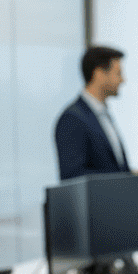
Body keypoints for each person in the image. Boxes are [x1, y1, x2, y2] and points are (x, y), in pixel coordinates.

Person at [54, 45, 131, 180]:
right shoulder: (72, 119)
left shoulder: (103, 115)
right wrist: (120, 180)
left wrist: (132, 177)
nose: (123, 80)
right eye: (118, 73)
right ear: (99, 74)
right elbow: (73, 175)